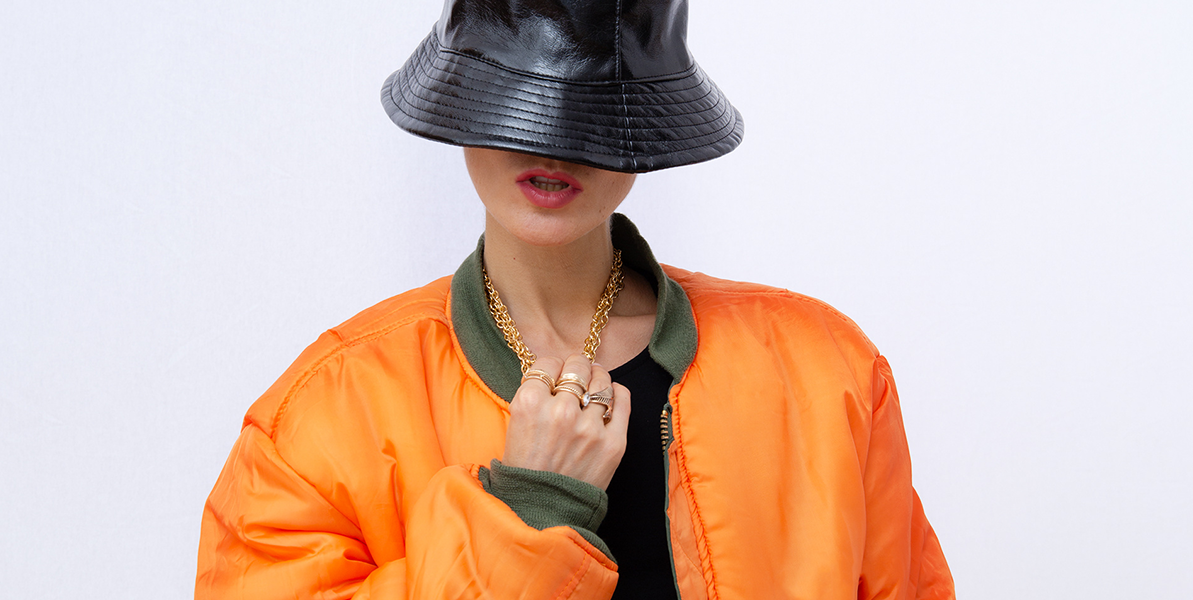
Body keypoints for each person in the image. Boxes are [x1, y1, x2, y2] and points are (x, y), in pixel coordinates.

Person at [195, 1, 955, 598]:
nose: (551, 145)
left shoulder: (826, 374)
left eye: (594, 111)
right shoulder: (327, 414)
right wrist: (527, 514)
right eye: (515, 102)